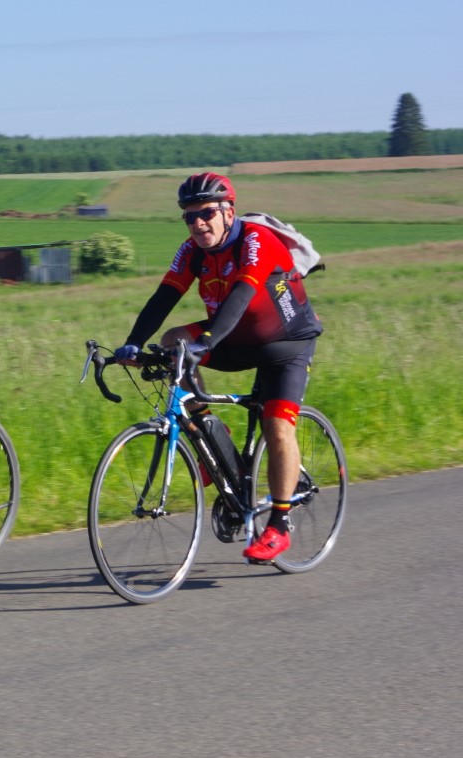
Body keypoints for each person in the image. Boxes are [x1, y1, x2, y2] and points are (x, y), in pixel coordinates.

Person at [114, 172, 323, 562]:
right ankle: (210, 430)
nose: (198, 224)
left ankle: (278, 526)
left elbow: (242, 294)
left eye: (206, 213)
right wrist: (134, 342)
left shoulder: (256, 241)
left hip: (286, 345)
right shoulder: (191, 251)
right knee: (173, 342)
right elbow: (164, 296)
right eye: (189, 217)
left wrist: (206, 343)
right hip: (234, 338)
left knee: (277, 426)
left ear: (229, 211)